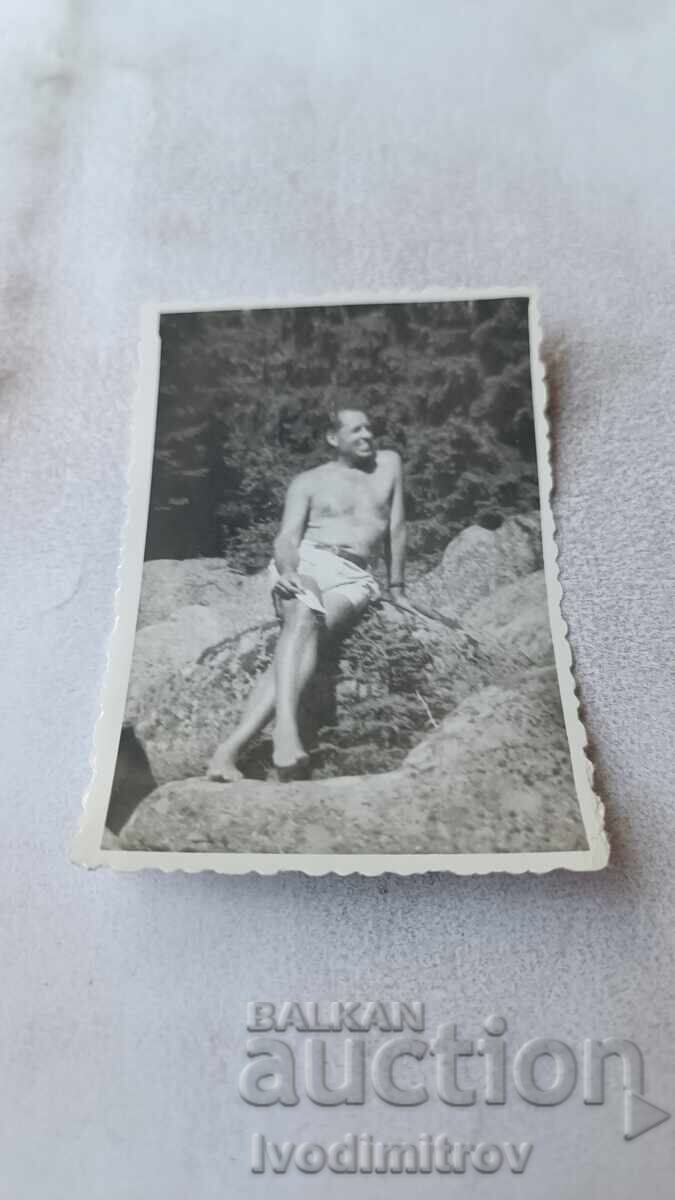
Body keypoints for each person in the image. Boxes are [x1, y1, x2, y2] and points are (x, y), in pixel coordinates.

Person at [207, 407, 411, 782]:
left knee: (303, 634)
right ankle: (285, 730)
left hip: (355, 577)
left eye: (369, 428)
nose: (367, 435)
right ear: (333, 438)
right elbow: (287, 538)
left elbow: (397, 527)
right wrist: (288, 571)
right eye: (356, 430)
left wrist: (397, 589)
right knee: (303, 612)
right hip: (308, 561)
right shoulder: (308, 481)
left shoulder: (389, 465)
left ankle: (226, 752)